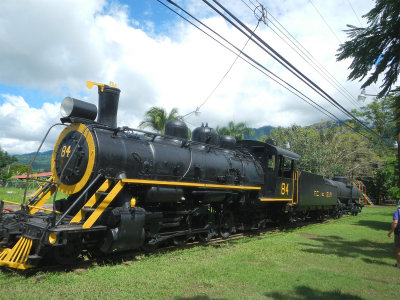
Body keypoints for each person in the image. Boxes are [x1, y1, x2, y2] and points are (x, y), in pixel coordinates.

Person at [388, 200, 400, 268]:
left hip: (398, 233)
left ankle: (398, 265)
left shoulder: (397, 212)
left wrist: (391, 232)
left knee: (398, 248)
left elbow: (395, 222)